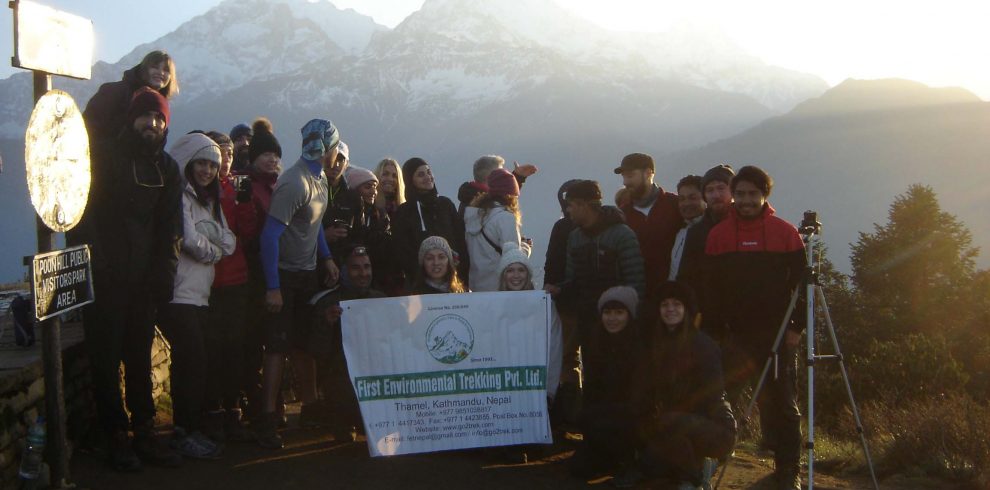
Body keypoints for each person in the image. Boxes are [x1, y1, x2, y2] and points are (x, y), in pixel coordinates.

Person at [66, 87, 183, 471]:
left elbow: (171, 227)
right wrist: (97, 265)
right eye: (145, 117)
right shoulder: (104, 158)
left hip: (145, 281)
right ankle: (116, 435)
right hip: (107, 278)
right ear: (131, 119)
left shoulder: (167, 168)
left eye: (158, 118)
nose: (151, 124)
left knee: (137, 357)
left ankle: (144, 430)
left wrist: (164, 271)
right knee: (104, 358)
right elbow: (83, 213)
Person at [704, 165, 805, 490]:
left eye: (753, 194)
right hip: (734, 336)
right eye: (742, 193)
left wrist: (796, 329)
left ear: (765, 195)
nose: (746, 200)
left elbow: (802, 289)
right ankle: (710, 461)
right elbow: (712, 290)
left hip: (776, 336)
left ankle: (788, 470)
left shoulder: (786, 233)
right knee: (723, 402)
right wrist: (715, 329)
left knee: (782, 406)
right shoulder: (718, 236)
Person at [255, 118, 342, 449]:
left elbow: (314, 222)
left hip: (306, 274)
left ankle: (309, 407)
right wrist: (273, 286)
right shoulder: (294, 183)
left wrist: (327, 257)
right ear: (327, 148)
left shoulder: (319, 179)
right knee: (277, 346)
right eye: (336, 148)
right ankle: (266, 419)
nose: (337, 154)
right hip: (286, 275)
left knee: (303, 344)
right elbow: (269, 237)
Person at [159, 132, 235, 459]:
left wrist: (212, 246)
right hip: (179, 293)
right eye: (201, 163)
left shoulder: (209, 200)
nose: (207, 170)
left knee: (197, 362)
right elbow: (189, 240)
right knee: (191, 362)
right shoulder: (180, 196)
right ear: (188, 162)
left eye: (212, 165)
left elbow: (230, 241)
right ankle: (183, 431)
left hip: (199, 294)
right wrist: (213, 250)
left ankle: (190, 427)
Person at [620, 281, 736, 489]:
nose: (670, 309)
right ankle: (695, 467)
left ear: (687, 310)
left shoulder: (703, 345)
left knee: (670, 424)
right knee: (652, 459)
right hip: (673, 423)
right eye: (665, 305)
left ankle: (695, 477)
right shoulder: (655, 345)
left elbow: (712, 394)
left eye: (677, 304)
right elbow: (643, 389)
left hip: (713, 425)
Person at [545, 180, 644, 353]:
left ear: (583, 205)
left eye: (571, 205)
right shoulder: (575, 237)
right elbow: (573, 280)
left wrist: (632, 320)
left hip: (619, 323)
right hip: (587, 321)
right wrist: (559, 289)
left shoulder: (621, 235)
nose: (567, 210)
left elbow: (636, 283)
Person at [203, 130, 258, 443]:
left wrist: (246, 202)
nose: (226, 160)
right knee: (213, 349)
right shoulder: (199, 190)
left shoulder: (234, 187)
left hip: (236, 279)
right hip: (208, 281)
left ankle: (232, 409)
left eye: (229, 154)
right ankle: (213, 410)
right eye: (221, 153)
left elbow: (246, 232)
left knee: (234, 348)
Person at [309, 246, 386, 441]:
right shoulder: (327, 303)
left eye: (367, 267)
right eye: (356, 268)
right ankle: (342, 419)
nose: (363, 273)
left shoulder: (382, 300)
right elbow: (316, 352)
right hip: (342, 379)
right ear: (343, 270)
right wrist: (325, 324)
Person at [569, 286, 641, 480]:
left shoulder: (640, 347)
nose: (612, 318)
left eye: (619, 312)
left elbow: (641, 398)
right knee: (578, 469)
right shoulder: (597, 342)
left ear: (629, 314)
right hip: (601, 419)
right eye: (608, 312)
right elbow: (592, 389)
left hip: (631, 421)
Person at [239, 117, 284, 425]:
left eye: (275, 155)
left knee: (275, 343)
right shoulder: (248, 187)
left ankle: (271, 406)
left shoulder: (279, 187)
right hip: (253, 276)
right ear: (254, 157)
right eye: (266, 154)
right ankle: (257, 408)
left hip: (277, 273)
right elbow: (249, 232)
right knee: (255, 343)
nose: (271, 159)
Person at [497, 242, 562, 403]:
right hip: (504, 388)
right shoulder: (494, 307)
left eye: (521, 270)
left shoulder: (544, 305)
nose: (516, 275)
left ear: (528, 274)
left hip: (537, 386)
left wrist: (549, 390)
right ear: (503, 275)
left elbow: (554, 347)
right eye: (510, 270)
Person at [614, 153, 681, 299]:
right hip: (639, 297)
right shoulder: (622, 214)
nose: (625, 182)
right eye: (624, 177)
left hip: (674, 295)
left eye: (630, 176)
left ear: (649, 173)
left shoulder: (675, 205)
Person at [393, 158, 468, 284]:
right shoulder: (404, 212)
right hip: (420, 284)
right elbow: (402, 250)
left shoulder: (446, 205)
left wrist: (461, 271)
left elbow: (460, 239)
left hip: (453, 279)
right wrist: (420, 275)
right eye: (421, 174)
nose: (427, 177)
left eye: (429, 172)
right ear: (410, 180)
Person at [544, 179, 581, 424]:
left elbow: (552, 262)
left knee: (568, 358)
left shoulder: (561, 228)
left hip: (565, 301)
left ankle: (571, 413)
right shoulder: (601, 224)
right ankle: (577, 412)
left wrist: (550, 292)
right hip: (588, 300)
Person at [83, 50, 179, 144]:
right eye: (155, 67)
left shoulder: (163, 106)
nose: (160, 73)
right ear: (144, 69)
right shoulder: (114, 91)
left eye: (166, 70)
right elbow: (89, 123)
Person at [342, 167, 403, 295]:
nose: (373, 192)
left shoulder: (380, 215)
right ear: (355, 189)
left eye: (375, 187)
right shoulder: (345, 215)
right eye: (368, 187)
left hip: (377, 276)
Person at [678, 165, 734, 299]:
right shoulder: (696, 233)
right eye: (710, 190)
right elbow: (686, 277)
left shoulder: (747, 227)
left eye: (721, 188)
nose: (716, 195)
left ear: (733, 191)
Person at [464, 168, 522, 292]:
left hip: (476, 287)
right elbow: (513, 258)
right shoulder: (505, 218)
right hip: (499, 288)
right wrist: (526, 248)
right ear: (510, 195)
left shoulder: (474, 216)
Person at [456, 154, 538, 217]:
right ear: (492, 177)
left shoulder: (470, 196)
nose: (504, 175)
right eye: (501, 173)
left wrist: (518, 177)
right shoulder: (486, 206)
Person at [668, 175, 706, 282]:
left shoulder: (712, 232)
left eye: (692, 198)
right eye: (682, 199)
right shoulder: (680, 231)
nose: (686, 203)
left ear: (705, 198)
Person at [373, 157, 405, 221]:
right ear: (377, 176)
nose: (390, 179)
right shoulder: (370, 205)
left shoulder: (404, 209)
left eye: (394, 176)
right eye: (385, 174)